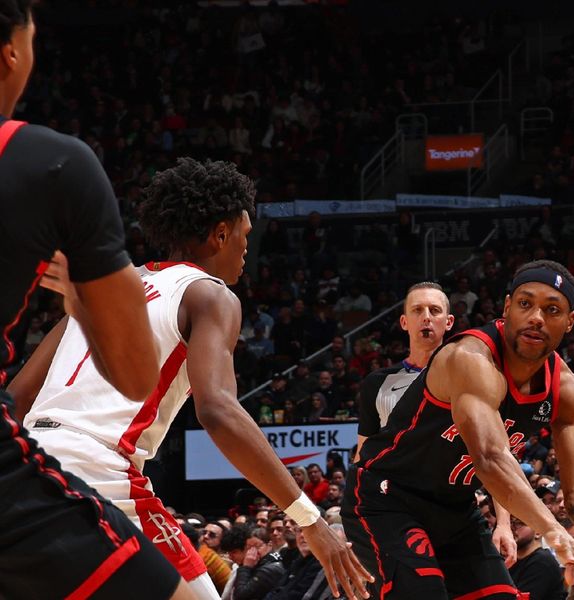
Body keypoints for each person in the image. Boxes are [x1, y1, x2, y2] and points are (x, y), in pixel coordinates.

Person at [10, 158, 371, 599]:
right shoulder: (209, 294)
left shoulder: (104, 290)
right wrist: (309, 519)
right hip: (99, 470)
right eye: (244, 236)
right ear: (221, 233)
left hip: (26, 465)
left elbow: (17, 397)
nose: (244, 250)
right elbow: (217, 410)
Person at [0, 4, 192, 598]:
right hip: (81, 464)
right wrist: (82, 300)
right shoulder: (53, 163)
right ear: (12, 51)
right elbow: (137, 375)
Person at [343, 260, 574, 599]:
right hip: (387, 497)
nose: (536, 317)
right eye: (525, 304)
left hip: (456, 508)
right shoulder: (470, 359)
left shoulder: (570, 390)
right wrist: (550, 527)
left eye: (552, 309)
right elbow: (490, 457)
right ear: (507, 308)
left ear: (570, 321)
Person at [356, 281, 454, 459]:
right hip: (394, 484)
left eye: (434, 310)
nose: (426, 317)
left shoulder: (467, 378)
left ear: (449, 322)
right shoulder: (376, 382)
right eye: (417, 310)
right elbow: (364, 453)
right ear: (404, 322)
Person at [508, 516, 567, 600]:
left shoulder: (543, 561)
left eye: (520, 523)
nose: (512, 527)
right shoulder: (512, 559)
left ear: (538, 532)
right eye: (510, 522)